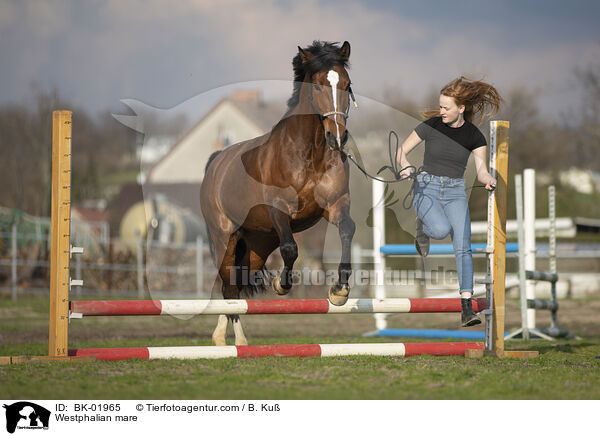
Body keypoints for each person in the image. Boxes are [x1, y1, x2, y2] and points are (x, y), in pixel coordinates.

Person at [396, 76, 501, 327]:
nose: (441, 111)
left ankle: (467, 308)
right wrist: (406, 166)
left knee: (463, 247)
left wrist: (488, 178)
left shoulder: (474, 136)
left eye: (446, 107)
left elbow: (481, 170)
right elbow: (402, 151)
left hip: (455, 191)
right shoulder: (431, 125)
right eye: (440, 106)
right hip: (426, 187)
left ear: (461, 108)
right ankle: (423, 226)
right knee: (441, 230)